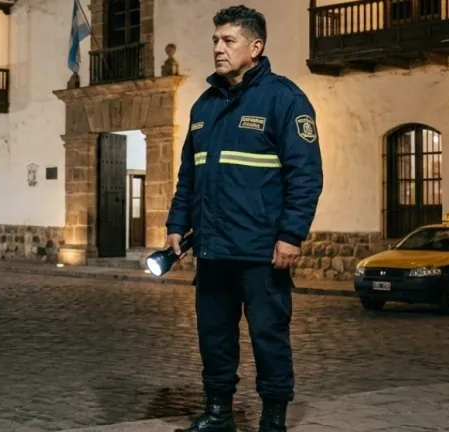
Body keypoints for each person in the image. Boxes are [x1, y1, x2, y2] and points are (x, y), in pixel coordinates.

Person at [166, 6, 323, 432]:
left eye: (228, 40)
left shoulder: (285, 99)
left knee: (269, 337)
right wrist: (176, 224)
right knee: (214, 336)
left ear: (255, 47)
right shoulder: (203, 106)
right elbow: (189, 175)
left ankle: (273, 418)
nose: (218, 48)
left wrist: (291, 235)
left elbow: (306, 175)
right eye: (215, 40)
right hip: (212, 249)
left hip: (261, 252)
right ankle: (219, 413)